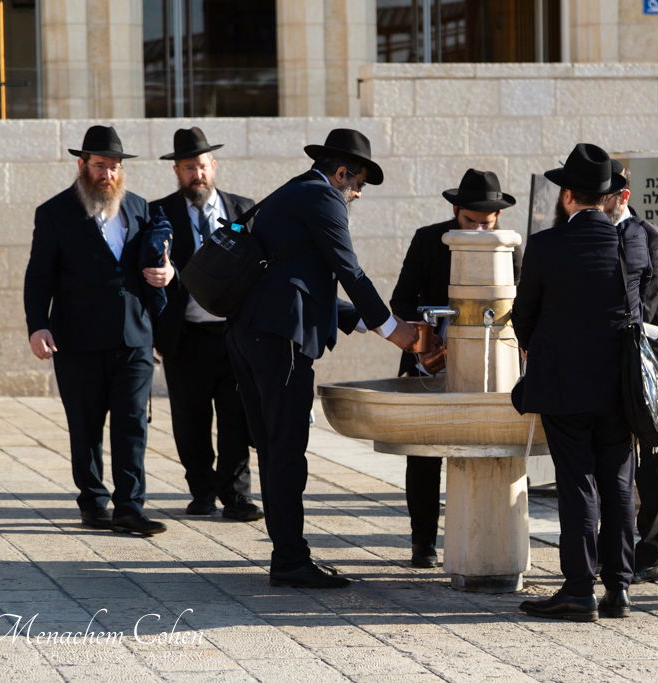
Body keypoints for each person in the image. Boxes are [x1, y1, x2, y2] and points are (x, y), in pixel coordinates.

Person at [226, 128, 417, 589]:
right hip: (280, 342)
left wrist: (362, 322)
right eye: (358, 184)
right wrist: (393, 330)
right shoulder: (324, 198)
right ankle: (290, 559)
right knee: (286, 450)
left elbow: (296, 281)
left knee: (274, 449)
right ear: (341, 171)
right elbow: (348, 270)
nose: (357, 194)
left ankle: (286, 554)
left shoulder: (291, 192)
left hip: (250, 333)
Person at [24, 125, 174, 536]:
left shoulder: (140, 208)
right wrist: (38, 326)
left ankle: (130, 506)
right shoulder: (54, 213)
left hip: (134, 336)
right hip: (77, 337)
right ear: (82, 165)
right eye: (100, 166)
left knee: (132, 422)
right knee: (86, 424)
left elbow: (158, 259)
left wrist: (167, 272)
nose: (108, 174)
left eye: (114, 167)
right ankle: (93, 501)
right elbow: (39, 277)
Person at [513, 143, 634, 621]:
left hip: (564, 384)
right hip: (620, 387)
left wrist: (539, 345)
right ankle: (620, 587)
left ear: (568, 196)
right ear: (607, 198)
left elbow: (523, 317)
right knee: (618, 482)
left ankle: (580, 589)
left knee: (577, 482)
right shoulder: (630, 242)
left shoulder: (545, 245)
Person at [390, 169, 521, 569]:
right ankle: (423, 542)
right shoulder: (429, 239)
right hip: (432, 359)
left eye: (487, 224)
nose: (479, 231)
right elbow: (401, 299)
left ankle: (487, 538)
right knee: (424, 453)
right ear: (454, 211)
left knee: (492, 448)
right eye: (469, 223)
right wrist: (431, 335)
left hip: (491, 361)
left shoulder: (511, 248)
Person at [150, 127, 262, 522]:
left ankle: (236, 496)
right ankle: (201, 491)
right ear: (177, 172)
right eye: (187, 168)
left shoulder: (242, 209)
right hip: (186, 337)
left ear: (213, 165)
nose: (196, 174)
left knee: (237, 416)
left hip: (234, 334)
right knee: (190, 418)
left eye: (201, 165)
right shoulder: (159, 212)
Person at [604, 159, 658, 583]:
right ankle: (613, 549)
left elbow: (650, 298)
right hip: (601, 364)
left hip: (640, 363)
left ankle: (652, 551)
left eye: (605, 197)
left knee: (650, 457)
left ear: (622, 196)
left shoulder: (647, 235)